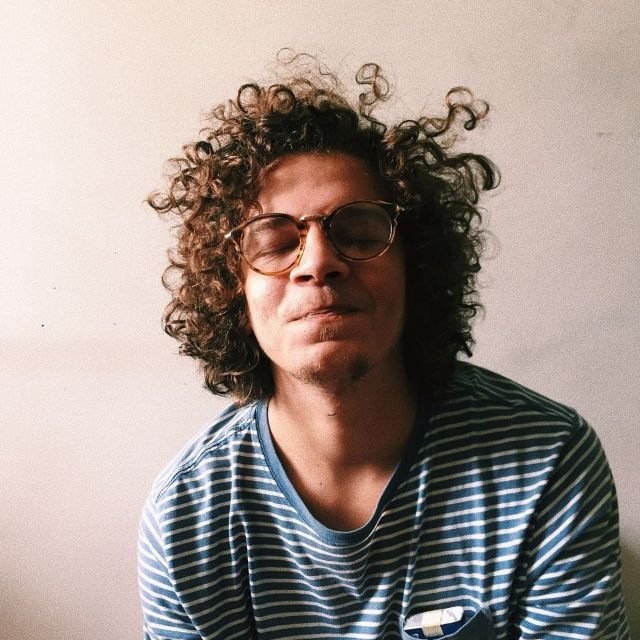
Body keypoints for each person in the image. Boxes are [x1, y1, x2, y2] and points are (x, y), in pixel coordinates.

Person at [138, 55, 630, 639]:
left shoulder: (548, 460)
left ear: (414, 266)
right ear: (232, 292)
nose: (319, 262)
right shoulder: (186, 517)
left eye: (359, 232)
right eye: (275, 242)